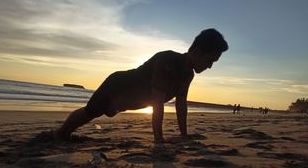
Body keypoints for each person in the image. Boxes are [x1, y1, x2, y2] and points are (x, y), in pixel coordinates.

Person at [54, 28, 228, 143]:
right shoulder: (166, 61)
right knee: (90, 112)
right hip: (117, 86)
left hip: (131, 100)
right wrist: (159, 140)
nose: (210, 66)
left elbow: (181, 104)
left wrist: (184, 135)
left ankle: (62, 135)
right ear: (196, 51)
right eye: (209, 60)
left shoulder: (188, 74)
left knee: (93, 113)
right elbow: (157, 103)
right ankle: (60, 133)